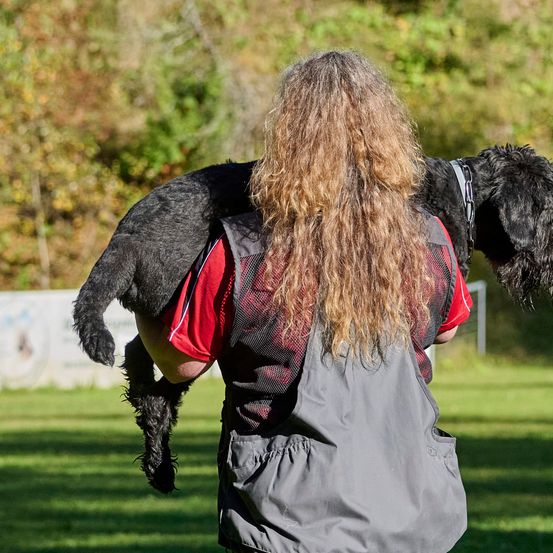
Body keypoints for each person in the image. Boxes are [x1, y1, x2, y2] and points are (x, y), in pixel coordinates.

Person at [137, 51, 472, 553]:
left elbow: (181, 363)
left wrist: (144, 301)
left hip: (288, 519)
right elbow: (446, 326)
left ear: (289, 138)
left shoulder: (240, 248)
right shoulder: (430, 237)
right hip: (414, 509)